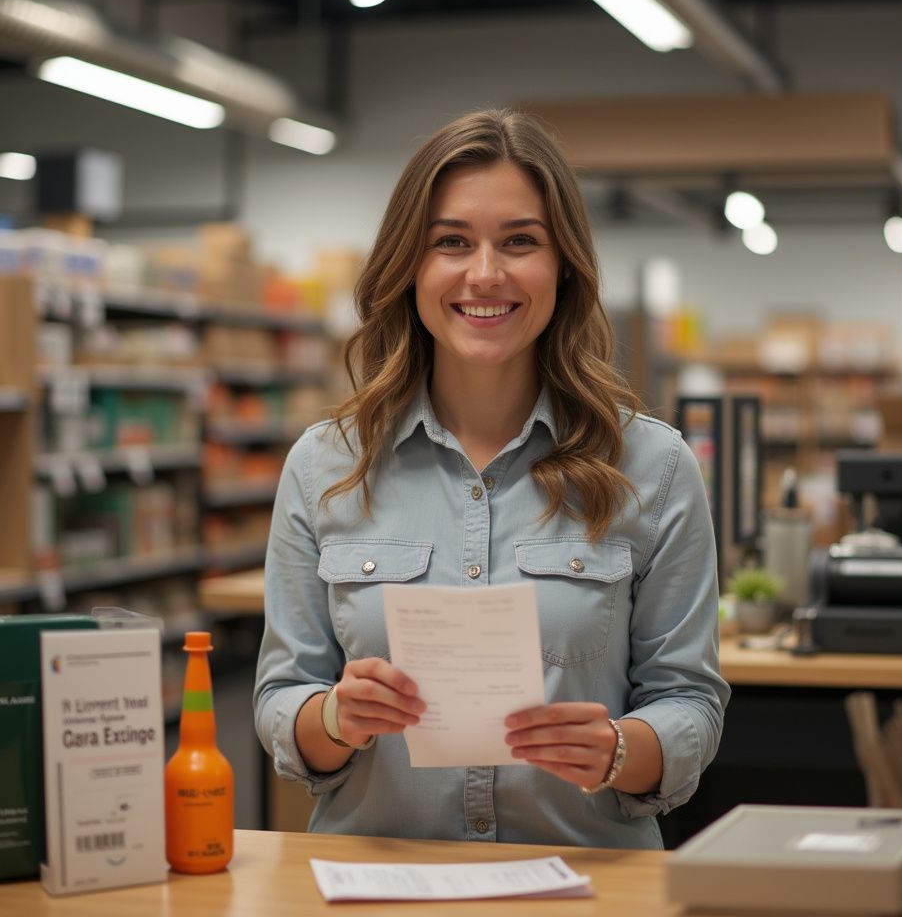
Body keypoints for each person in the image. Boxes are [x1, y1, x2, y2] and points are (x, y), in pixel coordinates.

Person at [254, 108, 729, 849]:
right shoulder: (325, 468)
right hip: (381, 889)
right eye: (451, 242)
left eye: (520, 241)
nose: (485, 273)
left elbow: (690, 702)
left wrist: (619, 750)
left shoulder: (654, 469)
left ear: (564, 263)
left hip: (585, 891)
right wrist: (337, 719)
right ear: (410, 265)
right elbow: (282, 699)